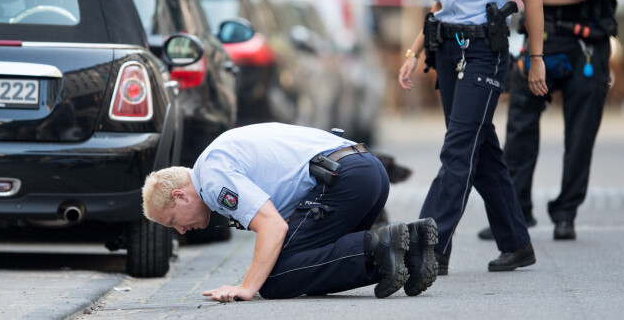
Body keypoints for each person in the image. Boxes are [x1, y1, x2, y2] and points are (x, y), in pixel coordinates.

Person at [398, 0, 548, 275]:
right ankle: (517, 243)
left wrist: (536, 58)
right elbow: (438, 8)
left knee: (458, 149)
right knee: (481, 153)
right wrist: (414, 51)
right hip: (447, 52)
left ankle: (427, 247)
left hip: (484, 53)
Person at [477, 0, 618, 242]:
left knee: (581, 134)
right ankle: (515, 211)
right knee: (520, 126)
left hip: (588, 48)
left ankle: (566, 213)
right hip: (544, 41)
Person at [142, 122, 439, 301]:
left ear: (180, 196)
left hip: (346, 179)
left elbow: (273, 227)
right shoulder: (214, 158)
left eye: (172, 222)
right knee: (303, 261)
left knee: (275, 278)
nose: (180, 231)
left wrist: (247, 286)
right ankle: (411, 247)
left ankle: (382, 247)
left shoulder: (213, 179)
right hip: (369, 169)